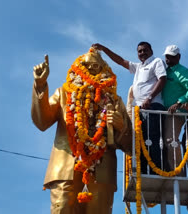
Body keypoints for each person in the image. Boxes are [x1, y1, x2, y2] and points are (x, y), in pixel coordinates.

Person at [31, 48, 132, 214]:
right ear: (79, 67)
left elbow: (131, 148)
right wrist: (40, 86)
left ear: (104, 69)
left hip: (102, 174)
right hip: (65, 170)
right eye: (87, 66)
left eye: (96, 66)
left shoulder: (115, 100)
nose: (91, 69)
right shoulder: (64, 93)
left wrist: (122, 127)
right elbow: (42, 122)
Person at [92, 42, 167, 174]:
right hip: (140, 110)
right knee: (141, 140)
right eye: (140, 51)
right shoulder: (138, 67)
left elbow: (162, 79)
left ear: (151, 50)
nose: (142, 53)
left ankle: (156, 170)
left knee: (153, 139)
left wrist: (149, 98)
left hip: (153, 106)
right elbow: (120, 61)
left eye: (145, 50)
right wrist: (104, 49)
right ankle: (144, 171)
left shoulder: (156, 62)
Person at [161, 45, 188, 171]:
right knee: (161, 142)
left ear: (178, 57)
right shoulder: (165, 71)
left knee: (171, 140)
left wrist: (180, 102)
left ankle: (177, 172)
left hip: (176, 113)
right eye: (167, 56)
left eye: (171, 56)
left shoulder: (183, 71)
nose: (168, 59)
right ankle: (167, 170)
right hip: (162, 112)